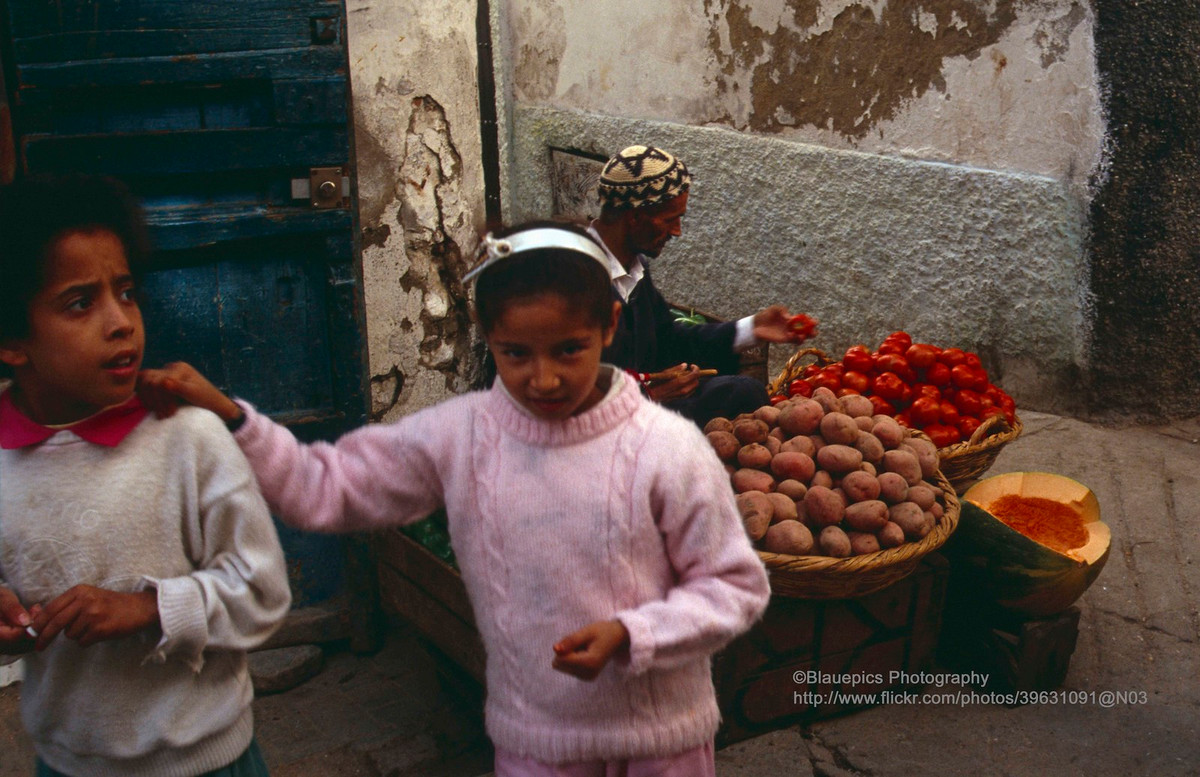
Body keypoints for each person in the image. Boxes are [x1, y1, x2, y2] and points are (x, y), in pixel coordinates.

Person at [140, 222, 772, 777]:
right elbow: (322, 490)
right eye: (515, 353)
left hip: (663, 747)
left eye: (568, 350)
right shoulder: (462, 437)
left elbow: (734, 586)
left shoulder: (667, 449)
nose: (543, 378)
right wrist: (231, 417)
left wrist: (634, 635)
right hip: (537, 746)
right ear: (487, 334)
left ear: (609, 326)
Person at [0, 174, 292, 777]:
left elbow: (264, 596)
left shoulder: (187, 436)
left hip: (206, 761)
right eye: (80, 303)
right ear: (12, 342)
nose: (121, 322)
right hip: (66, 764)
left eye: (126, 292)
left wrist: (150, 609)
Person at [588, 144, 816, 427]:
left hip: (642, 409)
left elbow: (667, 338)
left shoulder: (634, 267)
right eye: (671, 220)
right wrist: (647, 395)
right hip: (602, 429)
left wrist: (752, 328)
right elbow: (564, 390)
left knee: (744, 392)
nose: (677, 232)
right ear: (634, 217)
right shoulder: (572, 281)